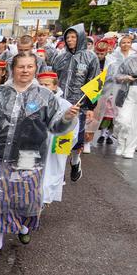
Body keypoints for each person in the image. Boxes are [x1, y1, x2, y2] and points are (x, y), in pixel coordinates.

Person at [0, 53, 80, 258]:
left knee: (25, 198)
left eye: (29, 66)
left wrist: (67, 118)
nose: (25, 70)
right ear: (12, 69)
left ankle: (24, 225)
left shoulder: (45, 96)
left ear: (35, 69)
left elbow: (55, 127)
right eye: (21, 66)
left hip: (29, 157)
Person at [50, 24, 99, 182]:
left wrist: (91, 107)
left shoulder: (90, 57)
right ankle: (60, 171)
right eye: (67, 37)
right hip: (61, 105)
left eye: (73, 37)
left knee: (76, 138)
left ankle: (75, 161)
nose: (70, 40)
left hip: (79, 105)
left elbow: (95, 84)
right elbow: (53, 78)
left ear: (80, 38)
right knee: (60, 136)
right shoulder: (60, 57)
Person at [36, 70, 77, 201]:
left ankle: (44, 201)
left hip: (54, 148)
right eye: (40, 85)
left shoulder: (65, 105)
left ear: (55, 86)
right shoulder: (32, 102)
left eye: (46, 85)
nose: (43, 88)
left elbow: (72, 130)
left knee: (51, 175)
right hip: (35, 146)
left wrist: (65, 147)